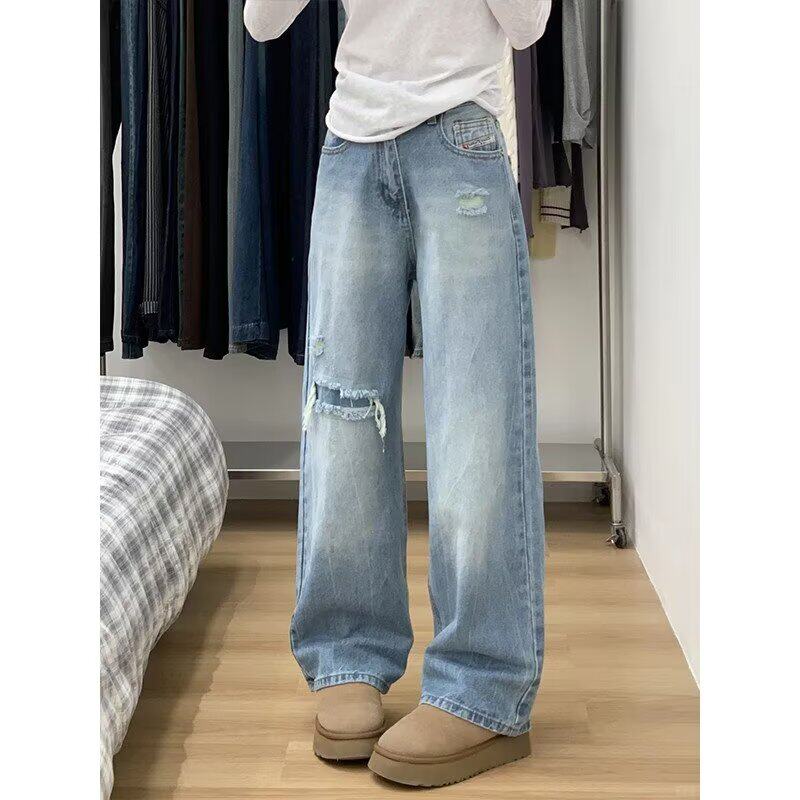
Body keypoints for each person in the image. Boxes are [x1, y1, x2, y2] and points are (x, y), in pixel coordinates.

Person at [244, 0, 551, 787]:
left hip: (463, 138)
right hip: (351, 141)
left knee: (476, 423)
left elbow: (528, 23)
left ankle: (483, 685)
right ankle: (348, 646)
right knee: (343, 417)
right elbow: (262, 21)